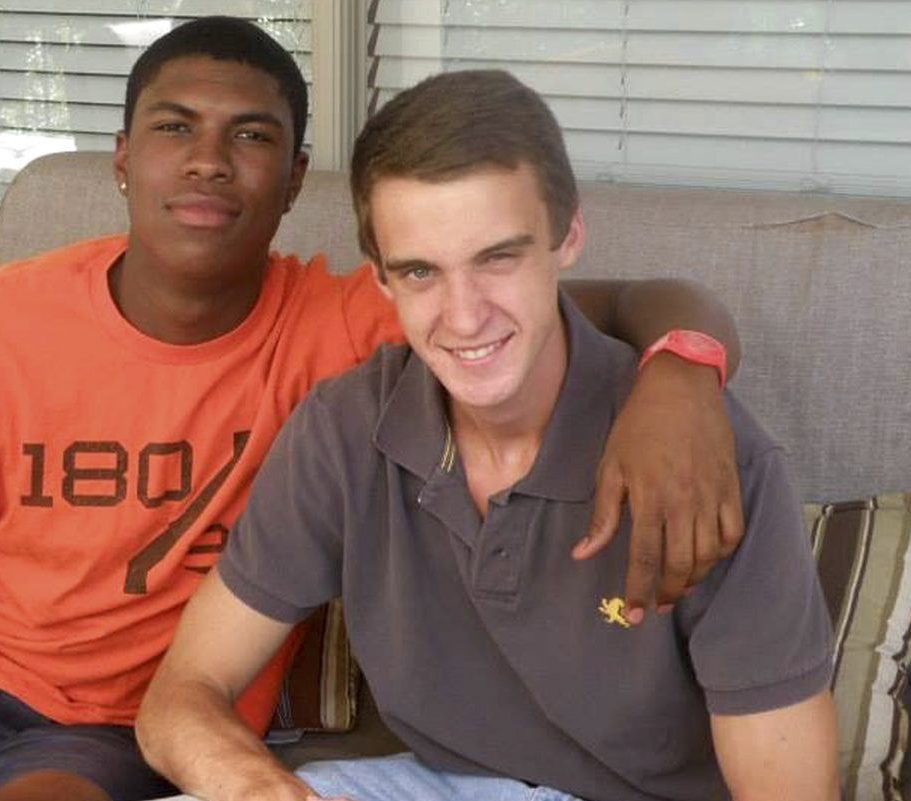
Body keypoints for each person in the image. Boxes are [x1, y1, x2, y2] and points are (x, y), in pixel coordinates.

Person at [0, 18, 743, 801]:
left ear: (294, 180)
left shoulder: (362, 324)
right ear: (123, 157)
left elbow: (623, 302)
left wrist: (683, 375)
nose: (208, 158)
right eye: (175, 129)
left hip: (106, 732)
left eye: (250, 137)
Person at [136, 69, 838, 801]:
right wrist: (257, 789)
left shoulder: (709, 457)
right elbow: (180, 694)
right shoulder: (345, 428)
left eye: (497, 257)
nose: (464, 317)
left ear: (567, 237)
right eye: (420, 271)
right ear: (380, 278)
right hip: (434, 785)